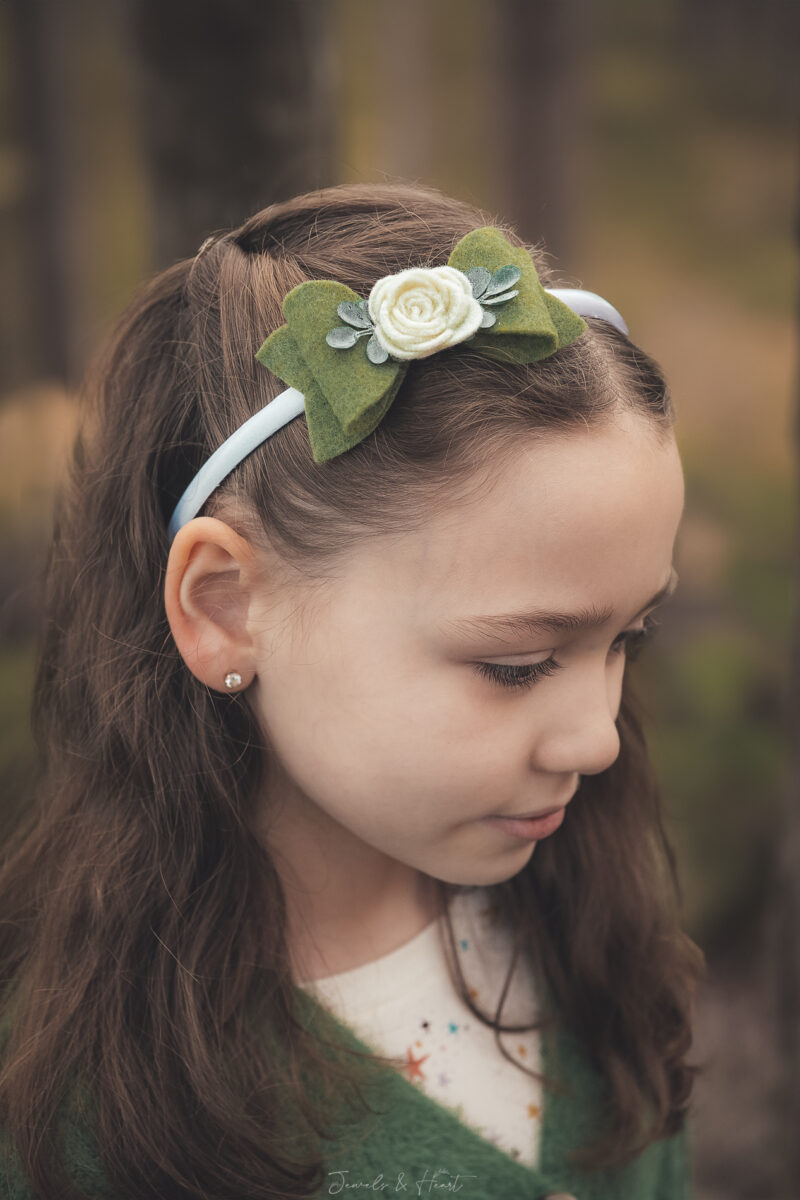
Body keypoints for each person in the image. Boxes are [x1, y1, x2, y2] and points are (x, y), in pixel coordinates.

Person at [0, 181, 706, 1200]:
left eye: (626, 638)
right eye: (513, 665)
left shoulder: (589, 932)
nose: (596, 740)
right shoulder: (77, 1114)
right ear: (227, 607)